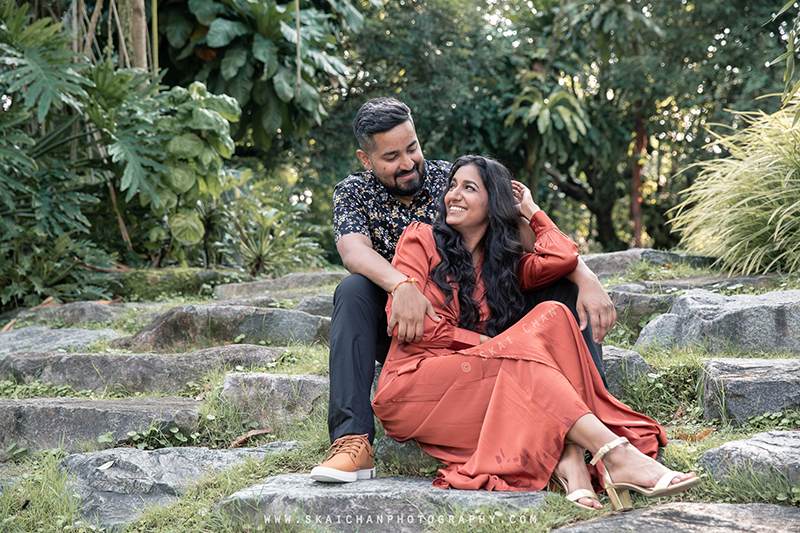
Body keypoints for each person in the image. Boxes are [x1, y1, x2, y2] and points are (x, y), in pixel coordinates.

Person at [309, 98, 616, 484]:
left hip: (479, 310)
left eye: (412, 148)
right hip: (406, 326)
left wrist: (586, 276)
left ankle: (592, 412)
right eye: (391, 157)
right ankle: (353, 441)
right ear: (366, 159)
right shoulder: (354, 192)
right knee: (353, 290)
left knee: (562, 289)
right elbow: (354, 251)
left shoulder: (448, 180)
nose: (407, 163)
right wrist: (401, 285)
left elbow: (522, 237)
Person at [372, 155, 699, 510]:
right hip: (413, 385)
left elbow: (562, 257)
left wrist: (532, 210)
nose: (453, 194)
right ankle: (616, 455)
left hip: (479, 383)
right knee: (518, 361)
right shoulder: (420, 239)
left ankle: (572, 465)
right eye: (452, 186)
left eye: (469, 188)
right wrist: (484, 344)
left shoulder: (503, 266)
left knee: (554, 313)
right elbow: (405, 322)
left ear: (494, 202)